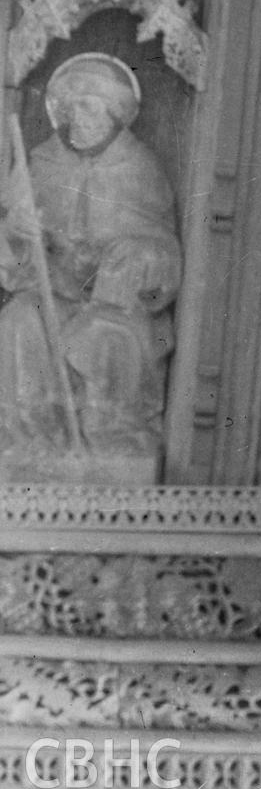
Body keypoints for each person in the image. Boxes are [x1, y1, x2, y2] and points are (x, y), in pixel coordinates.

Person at [0, 53, 182, 476]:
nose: (75, 117)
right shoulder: (41, 163)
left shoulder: (139, 168)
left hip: (118, 307)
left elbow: (163, 255)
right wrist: (21, 235)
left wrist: (134, 263)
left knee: (103, 337)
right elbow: (14, 259)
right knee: (18, 321)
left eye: (88, 106)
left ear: (115, 113)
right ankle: (33, 440)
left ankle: (110, 441)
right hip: (54, 295)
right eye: (68, 107)